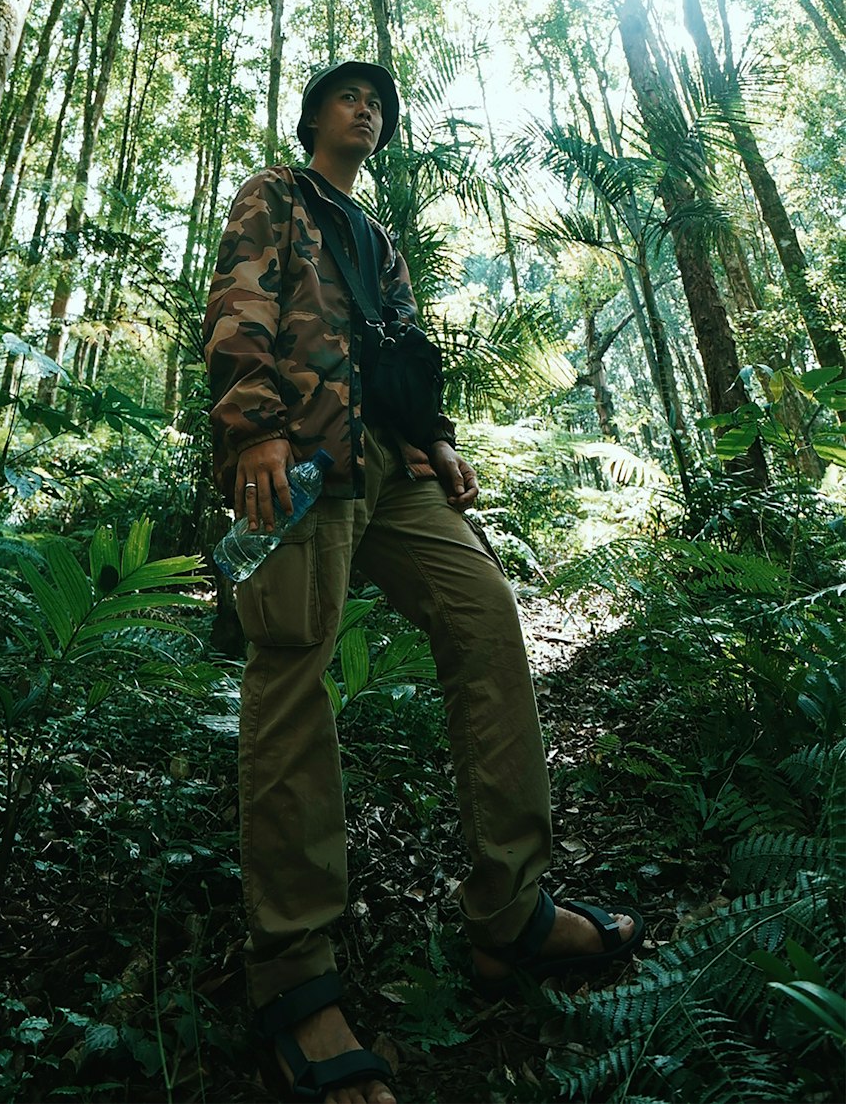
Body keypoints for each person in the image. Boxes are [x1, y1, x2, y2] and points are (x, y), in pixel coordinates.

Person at [204, 62, 643, 1104]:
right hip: (300, 465)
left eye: (382, 104)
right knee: (292, 675)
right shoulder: (274, 194)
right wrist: (254, 428)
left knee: (487, 617)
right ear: (315, 115)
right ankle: (295, 971)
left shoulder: (379, 238)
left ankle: (510, 910)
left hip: (390, 469)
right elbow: (238, 303)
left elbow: (405, 357)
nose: (370, 110)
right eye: (351, 96)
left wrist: (437, 440)